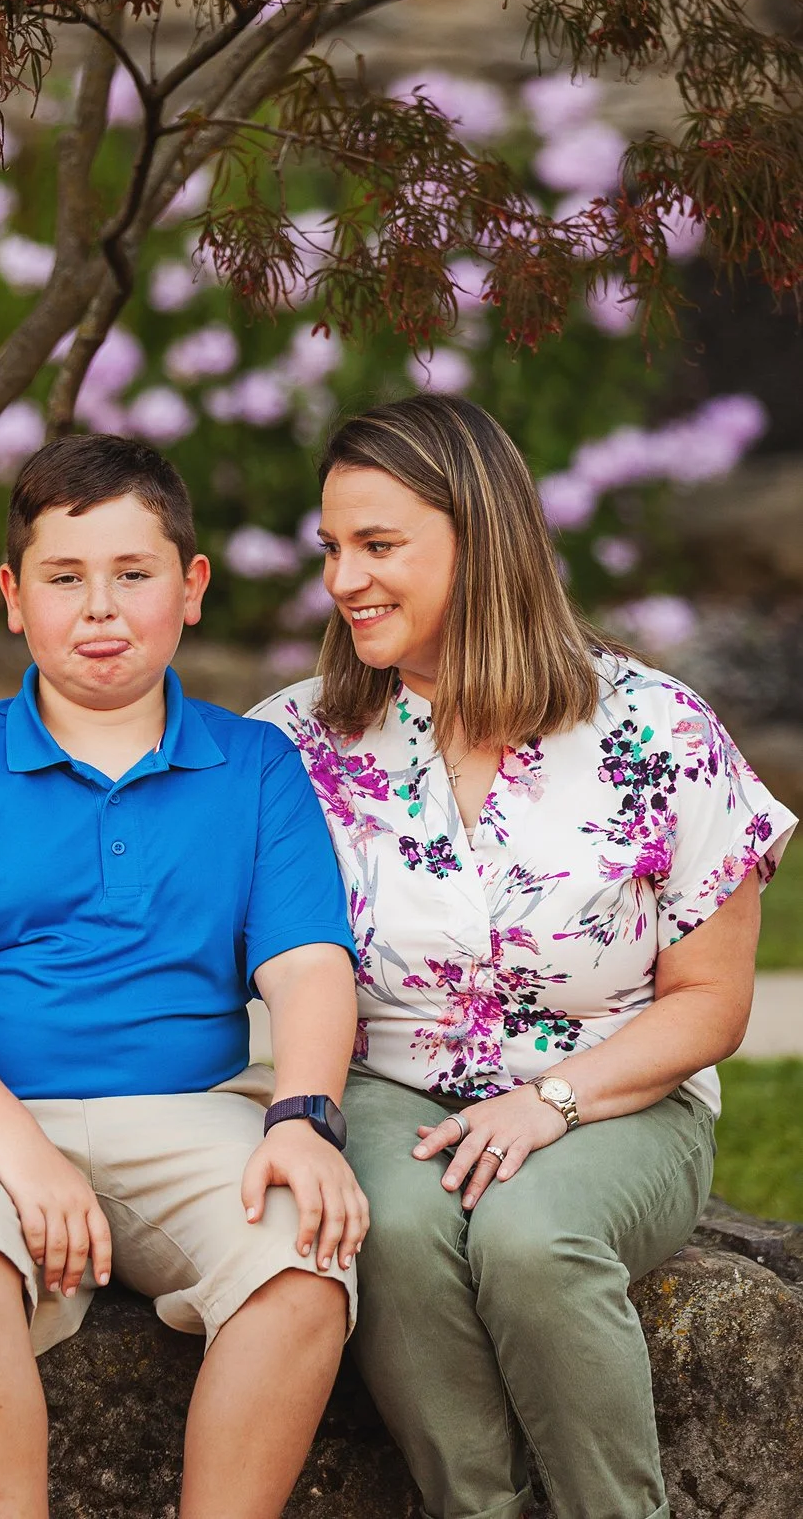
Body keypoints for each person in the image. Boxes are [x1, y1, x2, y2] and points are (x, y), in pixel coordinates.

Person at [251, 394, 792, 1519]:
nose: (342, 578)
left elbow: (710, 1003)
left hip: (621, 1091)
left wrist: (551, 1099)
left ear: (478, 539)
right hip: (388, 1084)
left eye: (378, 546)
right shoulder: (292, 744)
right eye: (331, 548)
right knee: (386, 1224)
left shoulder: (658, 733)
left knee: (532, 1237)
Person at [0, 433, 366, 1519]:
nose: (99, 609)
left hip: (189, 1116)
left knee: (304, 1271)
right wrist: (21, 1157)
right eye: (63, 578)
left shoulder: (257, 767)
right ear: (12, 597)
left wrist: (302, 1115)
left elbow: (310, 967)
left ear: (190, 588)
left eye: (133, 575)